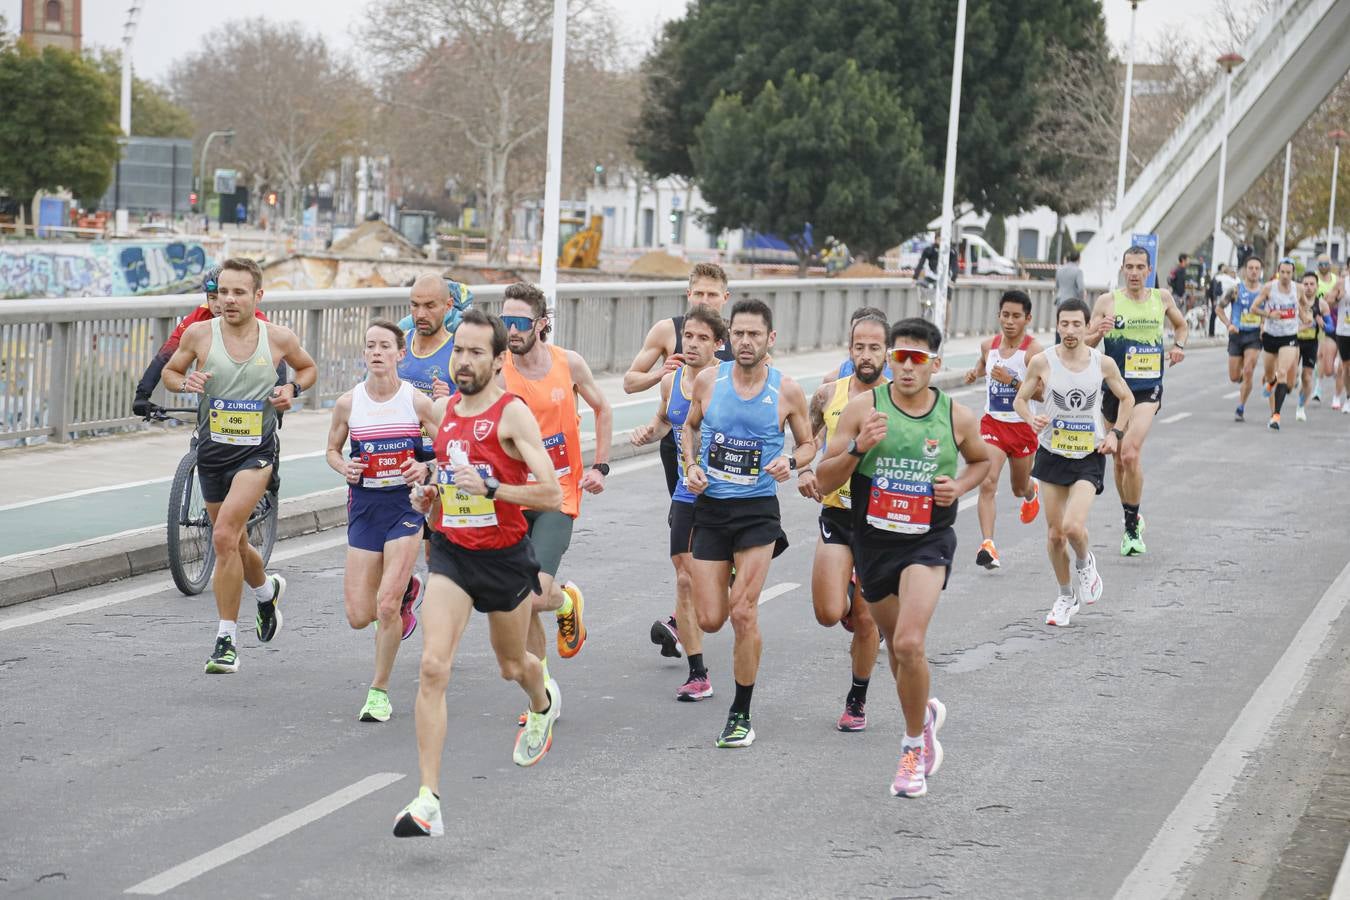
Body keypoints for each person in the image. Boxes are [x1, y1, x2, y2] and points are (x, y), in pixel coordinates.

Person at [393, 310, 564, 838]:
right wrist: (428, 496)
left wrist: (491, 490)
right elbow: (447, 482)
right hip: (452, 553)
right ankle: (427, 799)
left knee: (513, 666)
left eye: (474, 353)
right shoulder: (443, 412)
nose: (462, 361)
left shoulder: (513, 415)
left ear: (497, 360)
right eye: (457, 351)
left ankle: (542, 701)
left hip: (505, 557)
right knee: (431, 667)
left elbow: (552, 495)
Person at [817, 318, 990, 798]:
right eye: (899, 357)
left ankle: (912, 749)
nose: (907, 367)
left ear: (935, 364)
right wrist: (858, 447)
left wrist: (958, 486)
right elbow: (826, 480)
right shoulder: (862, 409)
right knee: (896, 647)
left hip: (927, 541)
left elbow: (981, 461)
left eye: (917, 359)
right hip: (872, 542)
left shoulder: (956, 416)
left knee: (910, 643)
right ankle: (926, 714)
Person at [161, 257, 318, 674]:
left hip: (256, 452)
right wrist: (185, 381)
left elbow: (308, 368)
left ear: (257, 296)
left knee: (226, 533)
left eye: (238, 292)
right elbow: (171, 373)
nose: (228, 300)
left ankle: (225, 640)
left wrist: (291, 388)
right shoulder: (198, 333)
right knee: (232, 542)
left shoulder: (278, 337)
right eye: (222, 292)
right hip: (212, 450)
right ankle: (267, 593)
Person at [680, 298, 815, 749]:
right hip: (713, 510)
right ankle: (735, 585)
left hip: (758, 509)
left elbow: (810, 445)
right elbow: (689, 428)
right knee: (710, 618)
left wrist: (790, 461)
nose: (745, 341)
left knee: (742, 612)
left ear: (769, 339)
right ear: (729, 337)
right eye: (738, 333)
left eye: (754, 334)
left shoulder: (787, 390)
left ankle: (741, 712)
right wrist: (690, 464)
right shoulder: (707, 381)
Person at [500, 281, 612, 722]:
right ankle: (540, 694)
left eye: (520, 322)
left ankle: (565, 601)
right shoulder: (496, 368)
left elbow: (603, 408)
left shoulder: (569, 364)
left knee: (533, 595)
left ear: (542, 323)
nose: (511, 330)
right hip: (511, 496)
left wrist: (600, 466)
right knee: (518, 597)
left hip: (557, 494)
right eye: (505, 320)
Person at [325, 321, 443, 721]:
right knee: (360, 615)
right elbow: (331, 450)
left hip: (404, 508)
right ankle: (410, 587)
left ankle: (379, 691)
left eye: (384, 346)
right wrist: (346, 466)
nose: (376, 352)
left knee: (387, 606)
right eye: (370, 346)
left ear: (399, 354)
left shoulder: (416, 402)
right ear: (364, 354)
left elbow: (450, 448)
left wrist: (424, 467)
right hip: (365, 509)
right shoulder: (348, 403)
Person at [623, 262, 734, 658]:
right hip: (678, 453)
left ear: (725, 299)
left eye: (712, 294)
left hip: (726, 464)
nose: (704, 300)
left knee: (707, 544)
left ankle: (688, 609)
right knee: (687, 549)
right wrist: (662, 376)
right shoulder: (668, 332)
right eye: (698, 294)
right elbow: (629, 382)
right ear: (689, 296)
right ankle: (686, 614)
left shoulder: (739, 340)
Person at [1014, 299, 1133, 628]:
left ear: (1087, 326)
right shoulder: (1042, 361)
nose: (1069, 331)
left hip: (1088, 455)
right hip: (1052, 454)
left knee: (1072, 528)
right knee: (1054, 537)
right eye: (1063, 324)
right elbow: (1021, 399)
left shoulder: (1103, 363)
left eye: (1076, 324)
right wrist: (1030, 420)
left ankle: (1085, 562)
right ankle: (1066, 596)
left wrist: (1116, 434)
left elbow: (1127, 398)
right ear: (1057, 326)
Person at [805, 310, 887, 731]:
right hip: (837, 510)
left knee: (867, 619)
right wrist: (803, 470)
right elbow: (808, 441)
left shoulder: (897, 399)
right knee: (828, 611)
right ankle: (849, 592)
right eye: (860, 347)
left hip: (880, 520)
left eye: (875, 347)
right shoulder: (826, 395)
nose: (867, 354)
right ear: (849, 348)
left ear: (886, 351)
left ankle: (857, 700)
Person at [1086, 245, 1188, 556]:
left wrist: (1179, 346)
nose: (1133, 273)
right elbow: (1084, 342)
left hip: (1146, 388)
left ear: (1148, 270)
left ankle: (1130, 528)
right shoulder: (1107, 301)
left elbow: (1181, 326)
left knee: (1129, 452)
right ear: (1122, 269)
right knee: (1117, 460)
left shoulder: (1162, 298)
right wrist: (1097, 332)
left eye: (1139, 267)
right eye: (1128, 267)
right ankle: (1132, 514)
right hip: (1114, 388)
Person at [394, 274, 461, 639]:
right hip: (397, 465)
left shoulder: (457, 353)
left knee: (437, 553)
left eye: (430, 305)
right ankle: (406, 591)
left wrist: (446, 397)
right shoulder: (398, 346)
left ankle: (441, 630)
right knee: (397, 548)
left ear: (448, 307)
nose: (421, 313)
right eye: (415, 305)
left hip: (438, 466)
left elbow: (474, 412)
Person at [963, 290, 1044, 570]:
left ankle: (1031, 490)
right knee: (988, 481)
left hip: (1022, 428)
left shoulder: (1034, 352)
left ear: (1028, 318)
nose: (1009, 321)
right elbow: (985, 365)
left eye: (1016, 316)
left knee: (1018, 487)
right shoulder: (989, 346)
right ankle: (988, 545)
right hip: (993, 423)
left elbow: (1043, 395)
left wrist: (1011, 381)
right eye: (1005, 315)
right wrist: (976, 372)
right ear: (999, 315)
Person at [132, 266, 272, 417]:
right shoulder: (199, 317)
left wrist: (277, 403)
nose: (218, 304)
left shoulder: (256, 319)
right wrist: (142, 395)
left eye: (222, 296)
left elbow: (277, 361)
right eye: (212, 297)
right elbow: (165, 356)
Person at [1250, 258, 1302, 431]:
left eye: (1289, 272)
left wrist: (1307, 316)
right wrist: (1269, 315)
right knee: (1269, 375)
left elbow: (1303, 307)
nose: (1285, 276)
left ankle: (1276, 416)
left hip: (1289, 336)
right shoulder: (1269, 287)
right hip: (1271, 336)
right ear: (1278, 271)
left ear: (1292, 273)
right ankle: (1270, 384)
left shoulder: (1298, 288)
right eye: (1283, 272)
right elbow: (1254, 308)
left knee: (1282, 373)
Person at [1214, 256, 1264, 422]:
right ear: (1245, 270)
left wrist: (1264, 324)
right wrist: (1229, 325)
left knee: (1249, 370)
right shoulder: (1235, 289)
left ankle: (1241, 407)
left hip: (1254, 336)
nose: (1254, 271)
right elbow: (1219, 309)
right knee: (1234, 377)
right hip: (1236, 335)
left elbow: (1270, 312)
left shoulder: (1265, 292)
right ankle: (1243, 379)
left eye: (1257, 268)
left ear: (1260, 271)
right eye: (1251, 268)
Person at [821, 307, 894, 384]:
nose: (866, 356)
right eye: (855, 331)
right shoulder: (832, 382)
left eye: (874, 348)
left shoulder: (898, 381)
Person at [1295, 272, 1332, 422]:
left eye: (1312, 284)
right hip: (1294, 341)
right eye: (1305, 284)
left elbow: (1331, 328)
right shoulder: (1296, 300)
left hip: (1311, 343)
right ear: (1301, 286)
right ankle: (1280, 380)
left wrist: (1321, 322)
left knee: (1307, 377)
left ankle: (1301, 407)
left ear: (1317, 287)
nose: (1309, 288)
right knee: (1290, 377)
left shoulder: (1321, 304)